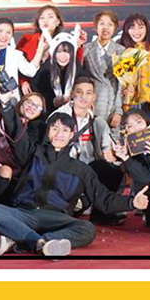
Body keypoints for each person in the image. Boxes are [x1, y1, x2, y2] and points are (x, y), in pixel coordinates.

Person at [0, 110, 150, 258]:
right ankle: (40, 243)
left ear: (72, 134)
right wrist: (7, 107)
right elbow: (16, 133)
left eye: (65, 130)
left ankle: (25, 240)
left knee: (88, 230)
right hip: (25, 214)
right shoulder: (32, 154)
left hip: (57, 220)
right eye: (55, 129)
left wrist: (132, 202)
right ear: (48, 131)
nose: (60, 134)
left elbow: (104, 200)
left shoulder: (81, 169)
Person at [52, 76, 123, 224]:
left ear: (94, 97)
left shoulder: (97, 121)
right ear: (72, 94)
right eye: (79, 92)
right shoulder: (58, 117)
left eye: (88, 93)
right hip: (65, 167)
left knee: (112, 171)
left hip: (88, 167)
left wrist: (113, 156)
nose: (83, 97)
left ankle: (101, 213)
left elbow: (107, 148)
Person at [0, 18, 48, 112]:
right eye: (0, 31)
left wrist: (40, 49)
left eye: (8, 32)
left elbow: (30, 71)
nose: (4, 35)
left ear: (12, 36)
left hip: (8, 104)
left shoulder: (16, 54)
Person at [0, 91, 47, 201]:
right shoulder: (0, 116)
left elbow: (23, 153)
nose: (32, 107)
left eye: (37, 107)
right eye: (29, 102)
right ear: (22, 101)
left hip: (13, 176)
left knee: (6, 171)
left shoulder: (36, 131)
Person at [16, 5, 84, 93]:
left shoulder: (64, 40)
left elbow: (74, 66)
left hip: (57, 89)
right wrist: (23, 82)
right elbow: (17, 65)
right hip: (32, 89)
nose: (45, 20)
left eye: (50, 17)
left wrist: (78, 45)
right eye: (42, 18)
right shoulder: (26, 39)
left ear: (58, 21)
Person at [82, 10, 125, 129]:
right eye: (102, 23)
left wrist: (118, 111)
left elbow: (121, 84)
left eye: (110, 24)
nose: (105, 28)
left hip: (111, 106)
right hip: (90, 105)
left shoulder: (121, 51)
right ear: (96, 27)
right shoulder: (85, 49)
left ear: (115, 28)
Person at [30, 27, 84, 115]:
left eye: (67, 52)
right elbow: (37, 91)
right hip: (48, 112)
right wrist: (51, 101)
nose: (62, 56)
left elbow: (83, 89)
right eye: (58, 52)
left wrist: (72, 98)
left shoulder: (77, 68)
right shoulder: (45, 69)